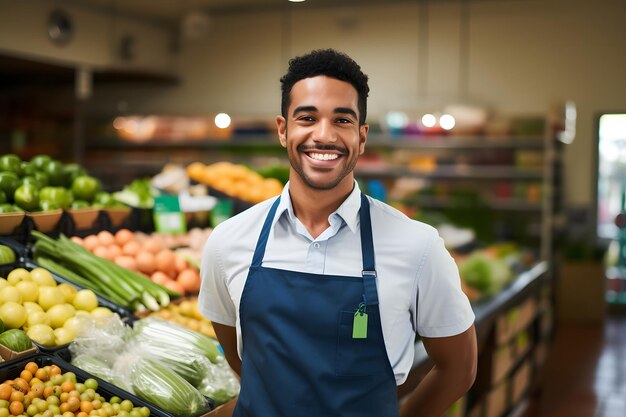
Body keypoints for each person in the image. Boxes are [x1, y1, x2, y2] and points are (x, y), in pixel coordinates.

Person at [199, 48, 477, 417]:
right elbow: (244, 362)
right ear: (283, 130)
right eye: (307, 118)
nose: (324, 135)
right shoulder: (228, 242)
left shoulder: (418, 247)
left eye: (342, 120)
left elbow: (460, 369)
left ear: (362, 137)